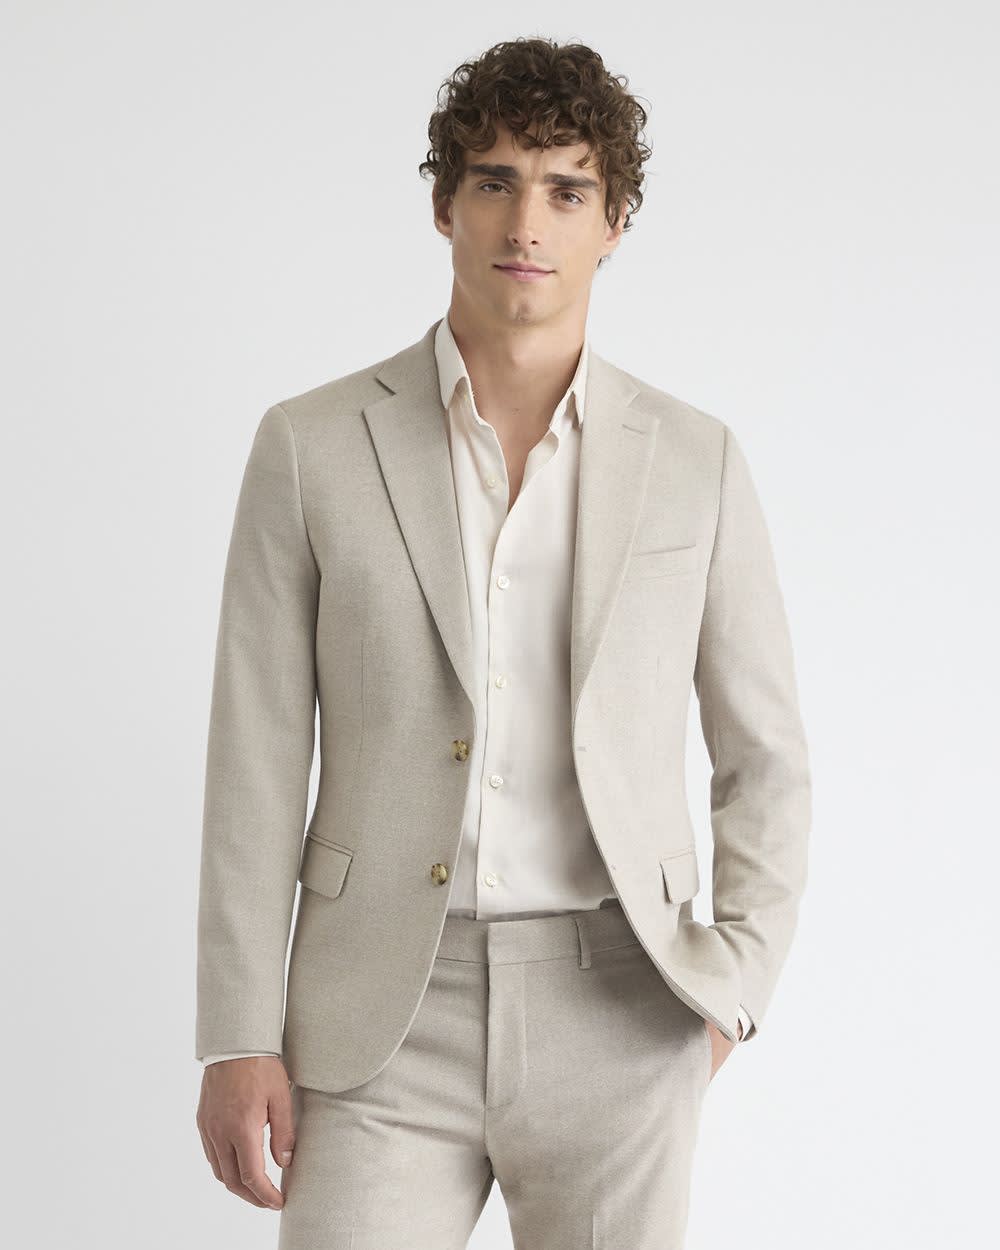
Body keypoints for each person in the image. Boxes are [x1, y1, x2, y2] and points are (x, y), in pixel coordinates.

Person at [194, 35, 811, 1249]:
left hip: (622, 999)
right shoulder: (310, 445)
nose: (526, 223)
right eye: (494, 182)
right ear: (445, 204)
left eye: (567, 190)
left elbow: (766, 753)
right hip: (374, 1011)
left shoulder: (695, 461)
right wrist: (237, 1029)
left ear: (612, 223)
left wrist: (730, 988)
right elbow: (255, 757)